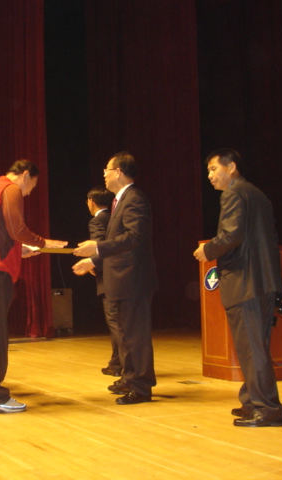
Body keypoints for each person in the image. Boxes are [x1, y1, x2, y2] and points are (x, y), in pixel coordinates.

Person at [0, 160, 67, 413]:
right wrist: (43, 242)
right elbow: (16, 227)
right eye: (32, 186)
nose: (29, 193)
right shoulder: (10, 189)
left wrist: (19, 250)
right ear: (26, 175)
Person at [193, 148, 282, 427]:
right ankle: (252, 400)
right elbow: (267, 240)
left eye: (213, 169)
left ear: (231, 167)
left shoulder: (233, 193)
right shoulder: (257, 194)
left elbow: (232, 234)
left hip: (246, 281)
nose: (209, 176)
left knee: (252, 347)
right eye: (208, 171)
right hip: (262, 281)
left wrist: (208, 250)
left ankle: (267, 409)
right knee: (254, 345)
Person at [73, 152, 158, 405]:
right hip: (122, 278)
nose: (104, 175)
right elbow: (118, 242)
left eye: (107, 170)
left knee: (135, 335)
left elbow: (133, 237)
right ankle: (130, 378)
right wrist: (93, 260)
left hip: (133, 279)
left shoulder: (134, 199)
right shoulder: (120, 200)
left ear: (119, 172)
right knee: (125, 334)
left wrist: (97, 248)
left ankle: (141, 387)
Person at [86, 186, 124, 378]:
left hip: (109, 278)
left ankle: (123, 365)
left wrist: (93, 262)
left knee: (115, 323)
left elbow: (100, 246)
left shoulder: (97, 221)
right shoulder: (115, 217)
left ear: (91, 201)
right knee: (121, 323)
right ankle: (116, 363)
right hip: (123, 275)